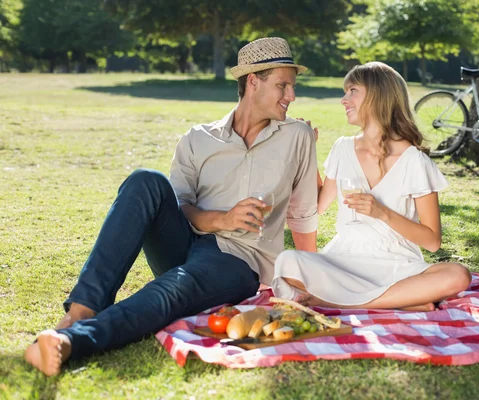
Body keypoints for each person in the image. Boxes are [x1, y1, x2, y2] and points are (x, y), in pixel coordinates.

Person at [25, 37, 319, 376]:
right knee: (145, 180)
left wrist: (308, 280)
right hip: (184, 243)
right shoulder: (198, 139)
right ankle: (81, 310)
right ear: (253, 81)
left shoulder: (297, 136)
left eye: (292, 87)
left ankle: (70, 342)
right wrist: (221, 219)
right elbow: (180, 206)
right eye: (283, 85)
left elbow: (303, 212)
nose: (291, 96)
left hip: (237, 260)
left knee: (170, 291)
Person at [272, 62, 472, 311]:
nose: (343, 100)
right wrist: (308, 152)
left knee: (458, 275)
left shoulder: (414, 161)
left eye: (352, 90)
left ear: (378, 96)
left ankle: (340, 302)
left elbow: (432, 241)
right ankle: (403, 302)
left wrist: (382, 213)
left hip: (398, 267)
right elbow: (318, 206)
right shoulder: (342, 148)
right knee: (286, 261)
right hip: (343, 262)